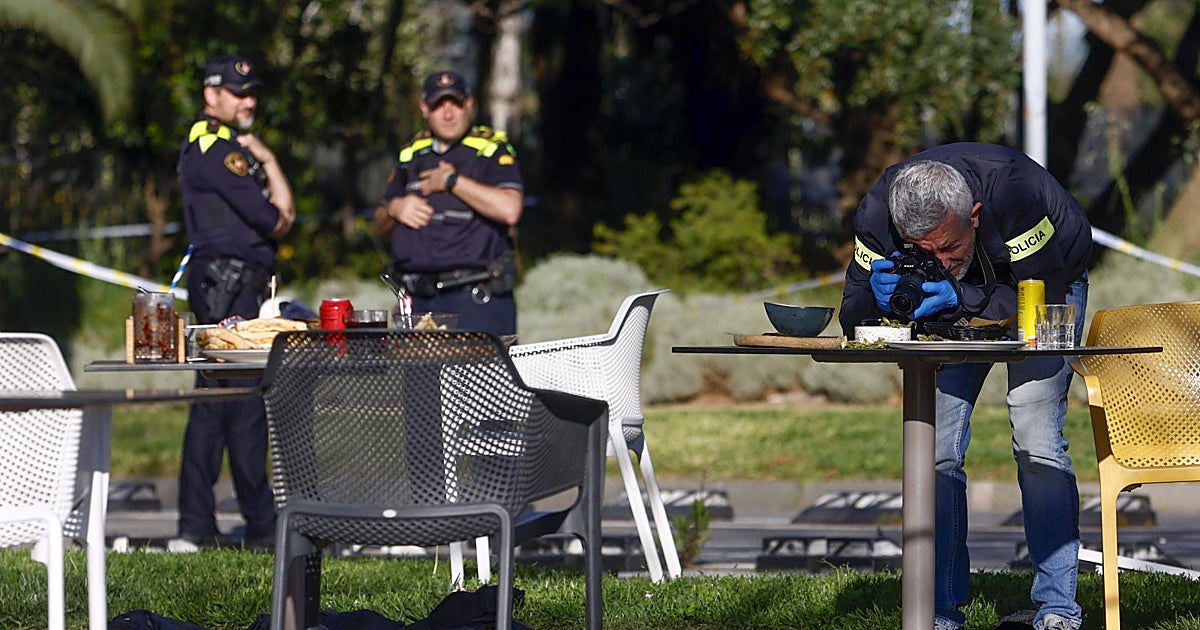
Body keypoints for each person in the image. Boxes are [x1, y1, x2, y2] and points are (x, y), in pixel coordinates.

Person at [839, 142, 1091, 630]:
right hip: (962, 301)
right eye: (923, 252)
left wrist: (957, 293)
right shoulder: (877, 212)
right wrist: (880, 296)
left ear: (974, 216)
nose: (940, 259)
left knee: (1036, 437)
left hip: (1048, 281)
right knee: (933, 448)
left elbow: (1042, 296)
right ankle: (937, 610)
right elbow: (851, 314)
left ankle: (1058, 609)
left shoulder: (1013, 192)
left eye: (949, 248)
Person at [175, 54, 295, 551]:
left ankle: (201, 526)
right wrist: (263, 169)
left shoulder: (234, 149)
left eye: (251, 93)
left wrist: (266, 158)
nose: (248, 101)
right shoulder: (216, 148)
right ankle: (260, 526)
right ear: (212, 95)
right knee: (236, 405)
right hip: (227, 287)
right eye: (237, 92)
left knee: (219, 405)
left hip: (233, 284)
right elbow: (276, 220)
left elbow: (284, 217)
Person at [374, 70, 523, 335]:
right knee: (420, 378)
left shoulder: (490, 150)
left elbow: (510, 210)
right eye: (438, 105)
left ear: (469, 105)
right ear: (424, 108)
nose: (448, 113)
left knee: (480, 378)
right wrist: (396, 208)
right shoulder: (411, 154)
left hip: (474, 299)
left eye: (455, 103)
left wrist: (453, 181)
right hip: (418, 301)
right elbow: (380, 221)